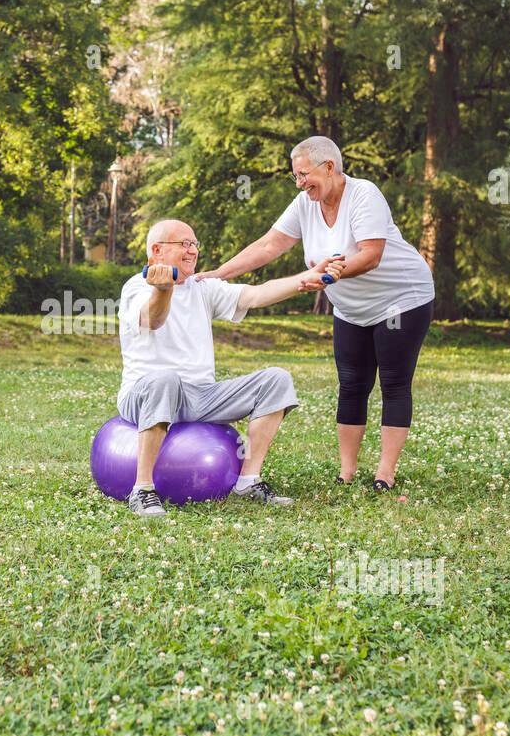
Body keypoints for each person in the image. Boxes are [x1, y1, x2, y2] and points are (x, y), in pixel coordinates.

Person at [197, 136, 434, 491]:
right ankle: (347, 472)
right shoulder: (304, 204)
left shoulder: (364, 195)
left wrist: (330, 274)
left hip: (401, 299)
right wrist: (219, 274)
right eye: (295, 176)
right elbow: (269, 245)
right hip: (351, 307)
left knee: (394, 382)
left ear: (329, 167)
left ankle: (385, 473)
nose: (299, 182)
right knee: (352, 384)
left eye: (304, 174)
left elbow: (371, 255)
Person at [116, 218, 342, 517]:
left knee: (276, 380)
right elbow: (153, 320)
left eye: (194, 244)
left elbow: (257, 294)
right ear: (156, 251)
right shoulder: (137, 286)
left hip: (201, 395)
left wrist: (307, 277)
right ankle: (142, 490)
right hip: (145, 395)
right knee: (165, 380)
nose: (192, 250)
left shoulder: (202, 287)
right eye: (184, 243)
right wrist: (162, 290)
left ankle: (247, 481)